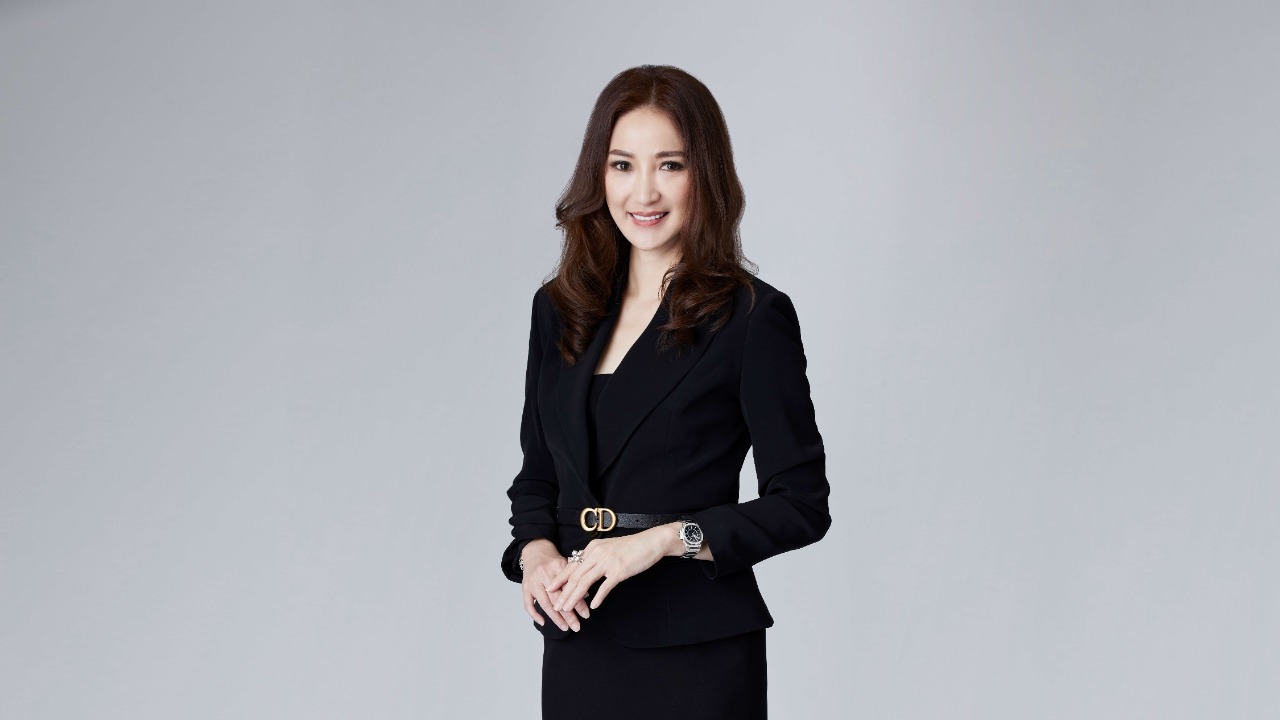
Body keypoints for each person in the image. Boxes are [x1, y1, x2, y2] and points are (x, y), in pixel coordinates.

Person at [499, 64, 832, 719]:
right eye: (622, 165)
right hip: (580, 636)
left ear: (704, 175)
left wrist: (661, 540)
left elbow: (802, 504)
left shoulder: (752, 318)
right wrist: (535, 554)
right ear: (598, 175)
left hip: (696, 651)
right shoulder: (559, 309)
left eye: (670, 165)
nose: (644, 191)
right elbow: (538, 476)